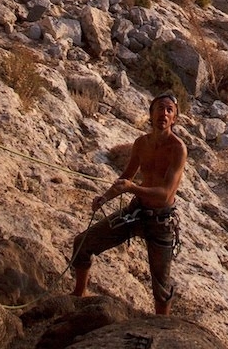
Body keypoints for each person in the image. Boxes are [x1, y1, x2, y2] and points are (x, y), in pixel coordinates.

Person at [72, 92, 187, 316]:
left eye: (169, 110)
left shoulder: (178, 149)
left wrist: (132, 188)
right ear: (151, 113)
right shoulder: (140, 143)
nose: (164, 113)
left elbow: (164, 195)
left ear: (174, 118)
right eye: (160, 108)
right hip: (135, 212)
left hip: (161, 221)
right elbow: (126, 176)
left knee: (161, 288)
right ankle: (78, 295)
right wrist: (105, 198)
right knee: (82, 243)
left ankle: (161, 328)